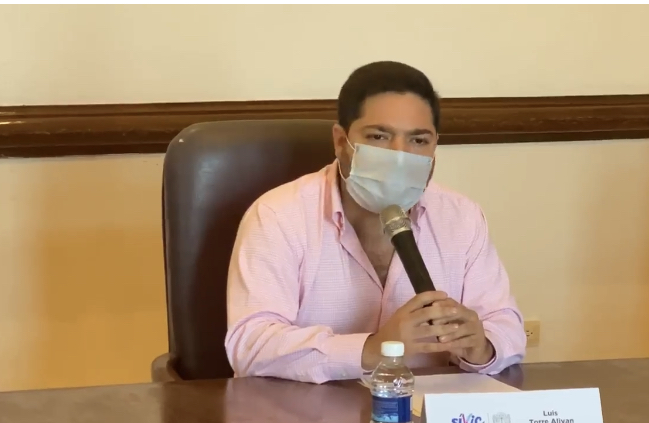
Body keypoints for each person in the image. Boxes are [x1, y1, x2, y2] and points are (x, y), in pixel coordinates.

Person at [225, 61, 526, 384]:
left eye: (418, 141)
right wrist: (374, 348)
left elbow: (506, 325)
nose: (399, 157)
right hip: (307, 407)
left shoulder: (461, 216)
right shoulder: (278, 215)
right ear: (341, 142)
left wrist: (480, 346)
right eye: (379, 136)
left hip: (427, 404)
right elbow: (251, 344)